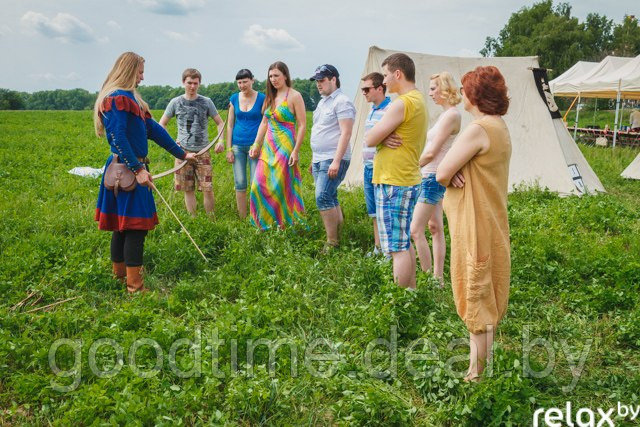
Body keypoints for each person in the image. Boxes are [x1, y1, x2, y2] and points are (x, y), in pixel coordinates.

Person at [93, 52, 196, 293]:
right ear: (128, 71)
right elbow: (118, 138)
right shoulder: (117, 98)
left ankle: (121, 278)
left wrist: (182, 154)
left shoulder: (131, 99)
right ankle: (134, 287)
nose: (142, 77)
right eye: (139, 72)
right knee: (133, 229)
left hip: (125, 168)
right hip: (125, 170)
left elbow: (153, 129)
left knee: (124, 227)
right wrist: (137, 169)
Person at [436, 65, 512, 381]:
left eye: (466, 89)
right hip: (490, 220)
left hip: (476, 224)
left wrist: (449, 171)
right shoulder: (499, 126)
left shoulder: (478, 129)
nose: (462, 93)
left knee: (477, 296)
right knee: (484, 296)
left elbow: (441, 172)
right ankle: (478, 366)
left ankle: (475, 375)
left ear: (475, 95)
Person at [365, 53, 428, 289]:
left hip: (394, 180)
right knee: (403, 242)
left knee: (396, 247)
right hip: (406, 177)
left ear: (398, 74)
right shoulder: (418, 99)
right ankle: (411, 293)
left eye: (385, 75)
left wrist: (379, 138)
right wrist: (383, 138)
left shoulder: (402, 103)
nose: (384, 80)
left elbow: (370, 138)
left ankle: (400, 302)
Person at [410, 72, 461, 284]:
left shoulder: (451, 115)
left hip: (431, 178)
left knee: (415, 230)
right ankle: (438, 279)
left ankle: (427, 277)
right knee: (435, 228)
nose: (430, 93)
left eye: (433, 88)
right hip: (431, 176)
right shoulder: (445, 115)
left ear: (444, 89)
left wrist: (411, 167)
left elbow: (432, 153)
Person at [159, 68, 225, 217]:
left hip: (203, 151)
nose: (192, 86)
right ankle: (193, 220)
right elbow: (161, 124)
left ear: (199, 84)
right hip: (182, 152)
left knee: (207, 188)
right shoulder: (175, 102)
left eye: (195, 83)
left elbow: (220, 123)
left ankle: (211, 220)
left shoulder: (206, 102)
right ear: (183, 82)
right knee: (187, 189)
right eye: (189, 83)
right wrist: (172, 144)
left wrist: (220, 141)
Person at [248, 61, 306, 230]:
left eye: (276, 75)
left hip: (285, 147)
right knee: (258, 185)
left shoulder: (294, 96)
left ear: (285, 76)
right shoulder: (269, 97)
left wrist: (296, 150)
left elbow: (302, 125)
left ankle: (285, 224)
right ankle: (263, 223)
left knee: (281, 186)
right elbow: (264, 123)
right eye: (271, 76)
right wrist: (256, 144)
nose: (273, 79)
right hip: (268, 147)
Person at [309, 64, 356, 251]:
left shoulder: (342, 101)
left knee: (322, 197)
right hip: (320, 158)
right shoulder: (322, 102)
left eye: (322, 80)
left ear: (333, 79)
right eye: (317, 81)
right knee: (331, 196)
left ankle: (332, 241)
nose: (318, 84)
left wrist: (336, 160)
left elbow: (346, 133)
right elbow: (318, 131)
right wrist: (314, 159)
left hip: (334, 157)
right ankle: (339, 233)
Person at [225, 69, 266, 218]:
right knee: (240, 182)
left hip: (255, 146)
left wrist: (259, 144)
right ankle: (242, 216)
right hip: (237, 145)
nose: (242, 85)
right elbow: (229, 125)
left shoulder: (262, 98)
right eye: (239, 82)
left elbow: (266, 122)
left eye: (245, 82)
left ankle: (257, 216)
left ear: (252, 80)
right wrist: (229, 148)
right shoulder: (234, 98)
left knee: (256, 183)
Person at [360, 72, 391, 256]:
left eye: (367, 89)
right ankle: (378, 247)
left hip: (382, 168)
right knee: (374, 212)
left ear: (380, 88)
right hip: (368, 167)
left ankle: (388, 251)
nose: (364, 92)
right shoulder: (372, 110)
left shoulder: (391, 110)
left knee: (384, 211)